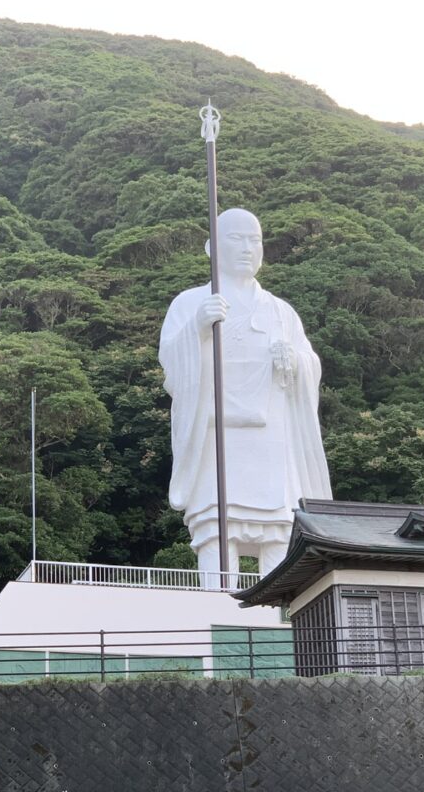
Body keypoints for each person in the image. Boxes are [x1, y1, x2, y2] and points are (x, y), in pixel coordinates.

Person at [159, 208, 331, 583]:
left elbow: (309, 363)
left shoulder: (281, 312)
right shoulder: (190, 304)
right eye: (236, 238)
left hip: (269, 436)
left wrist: (295, 363)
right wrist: (198, 329)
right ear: (212, 247)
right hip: (216, 434)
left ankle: (275, 614)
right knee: (217, 529)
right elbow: (172, 368)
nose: (248, 248)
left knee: (276, 531)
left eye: (255, 240)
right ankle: (218, 610)